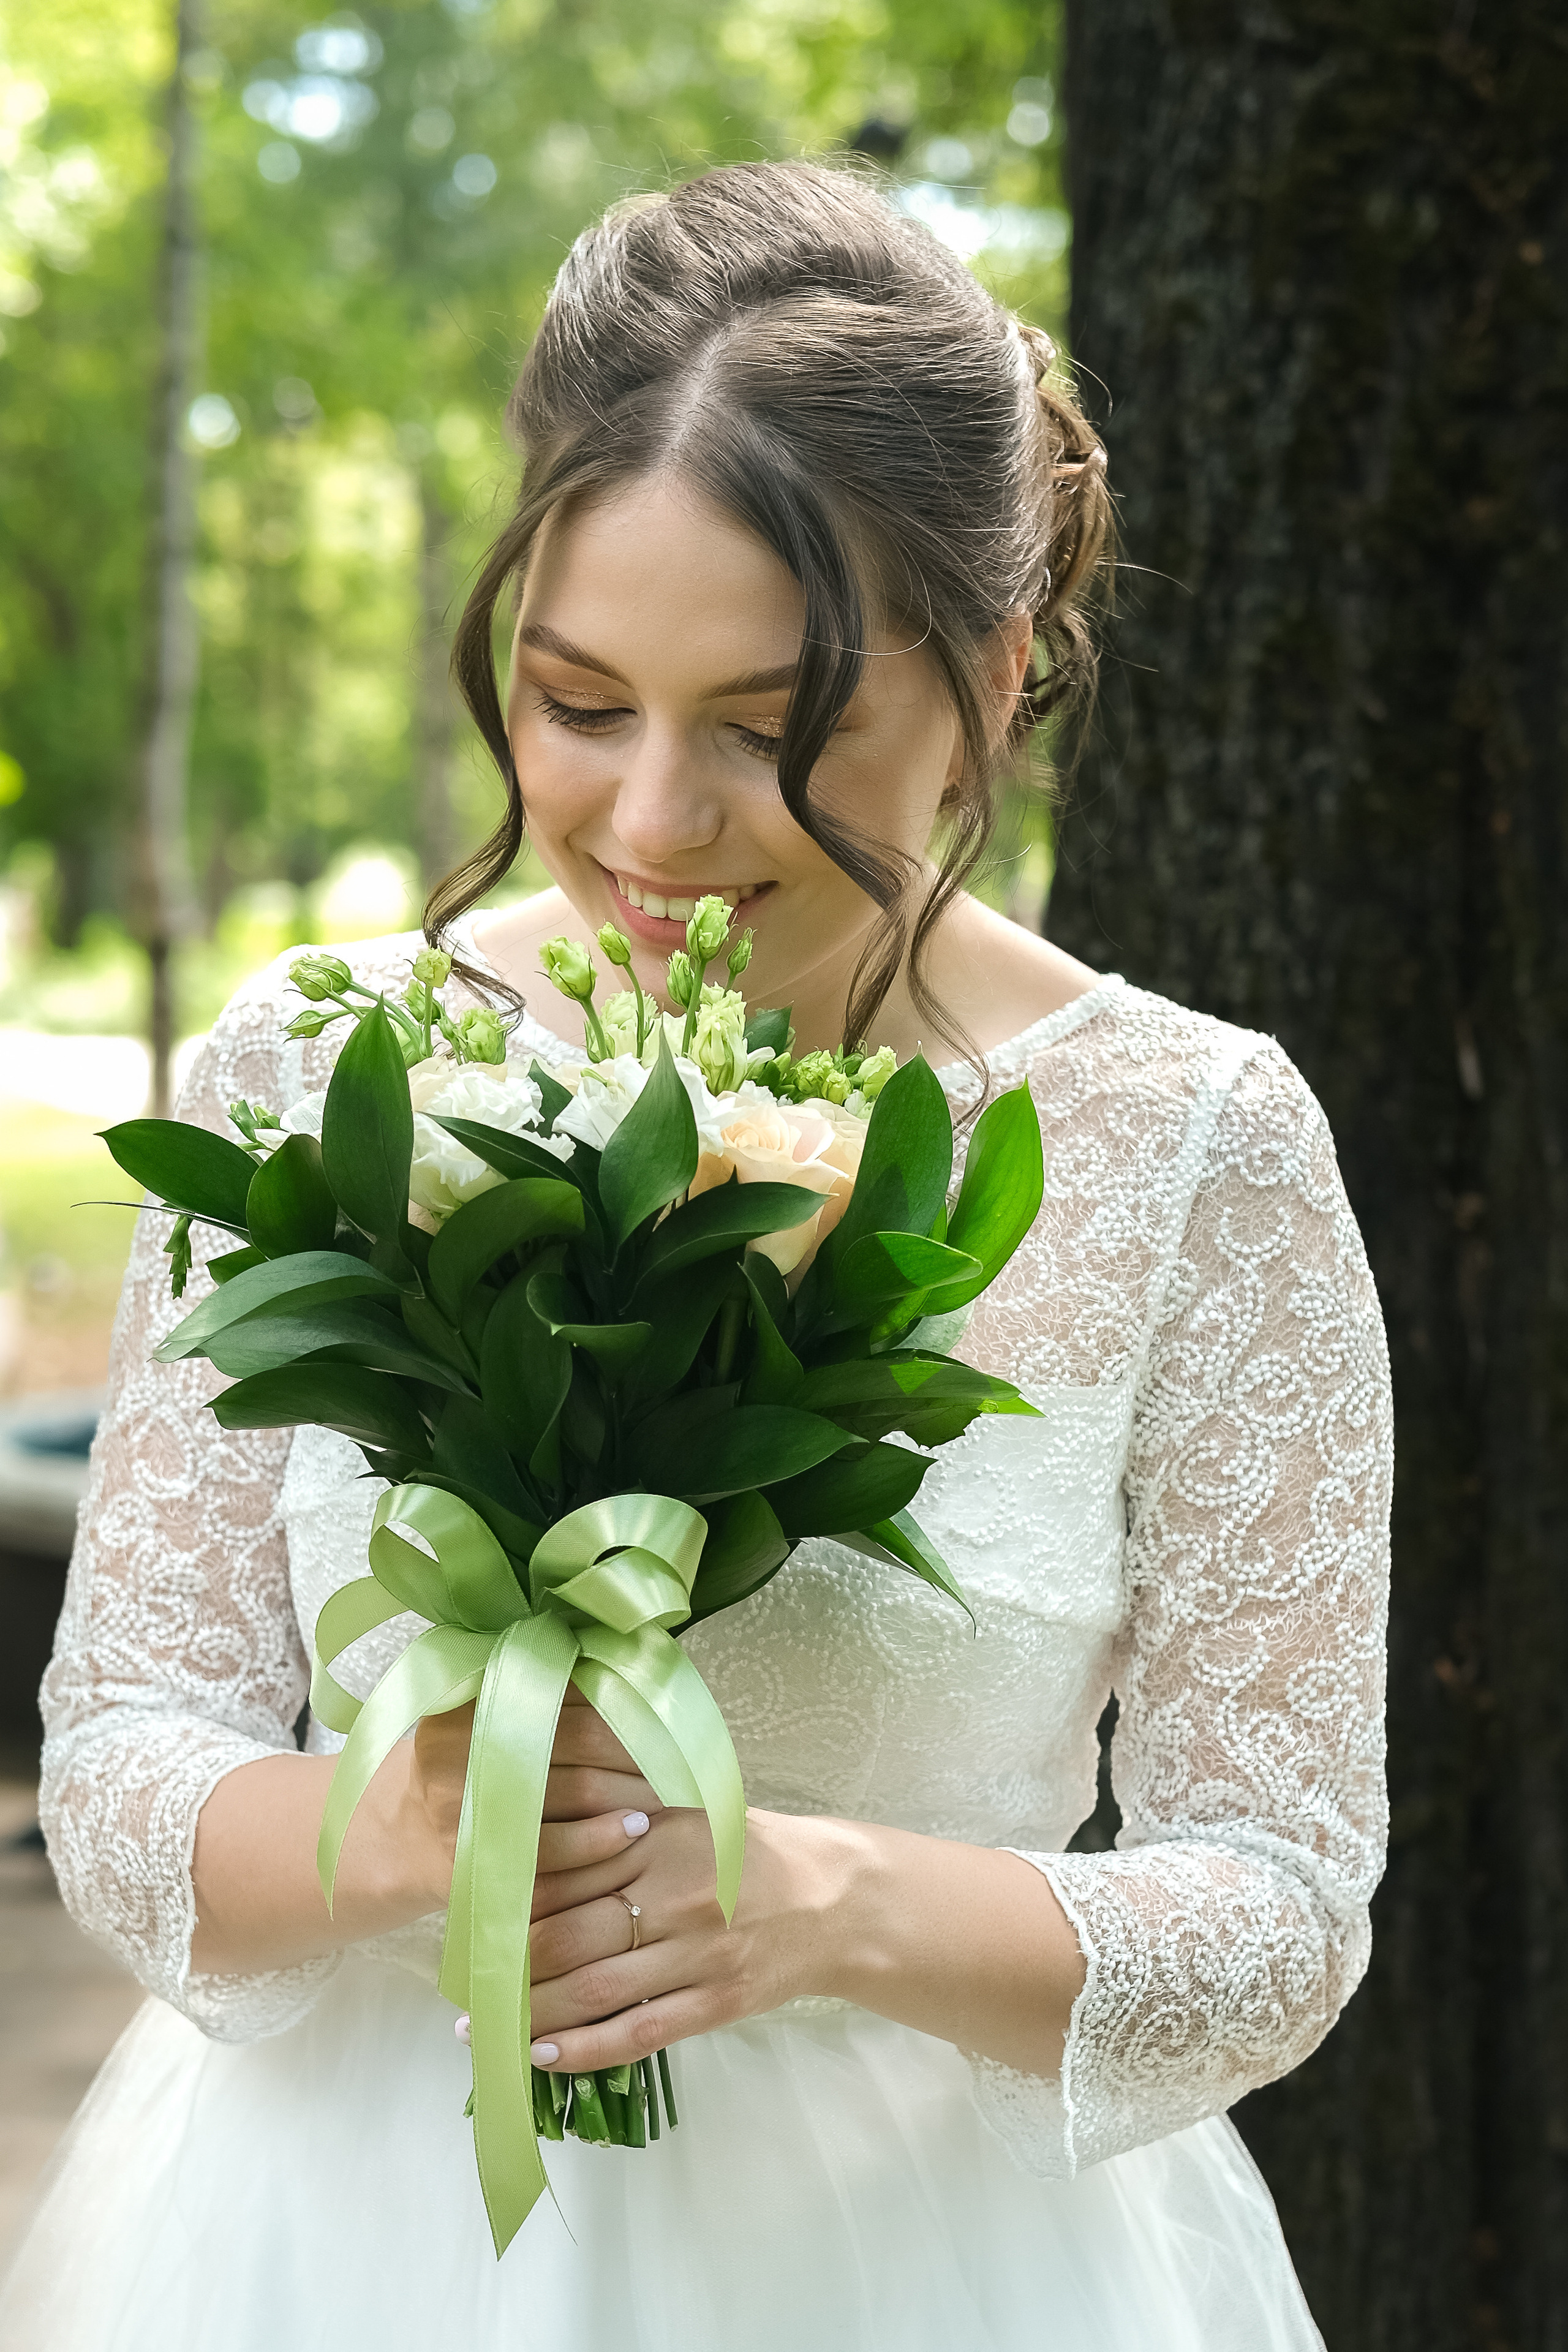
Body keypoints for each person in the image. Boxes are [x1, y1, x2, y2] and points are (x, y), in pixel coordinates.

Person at [0, 161, 1390, 2351]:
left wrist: (823, 1900)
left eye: (768, 726)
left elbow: (1285, 1907)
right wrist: (415, 1829)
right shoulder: (329, 1065)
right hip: (340, 2252)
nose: (653, 823)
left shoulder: (1191, 1150)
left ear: (1000, 675)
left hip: (940, 2268)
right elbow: (122, 1758)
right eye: (575, 702)